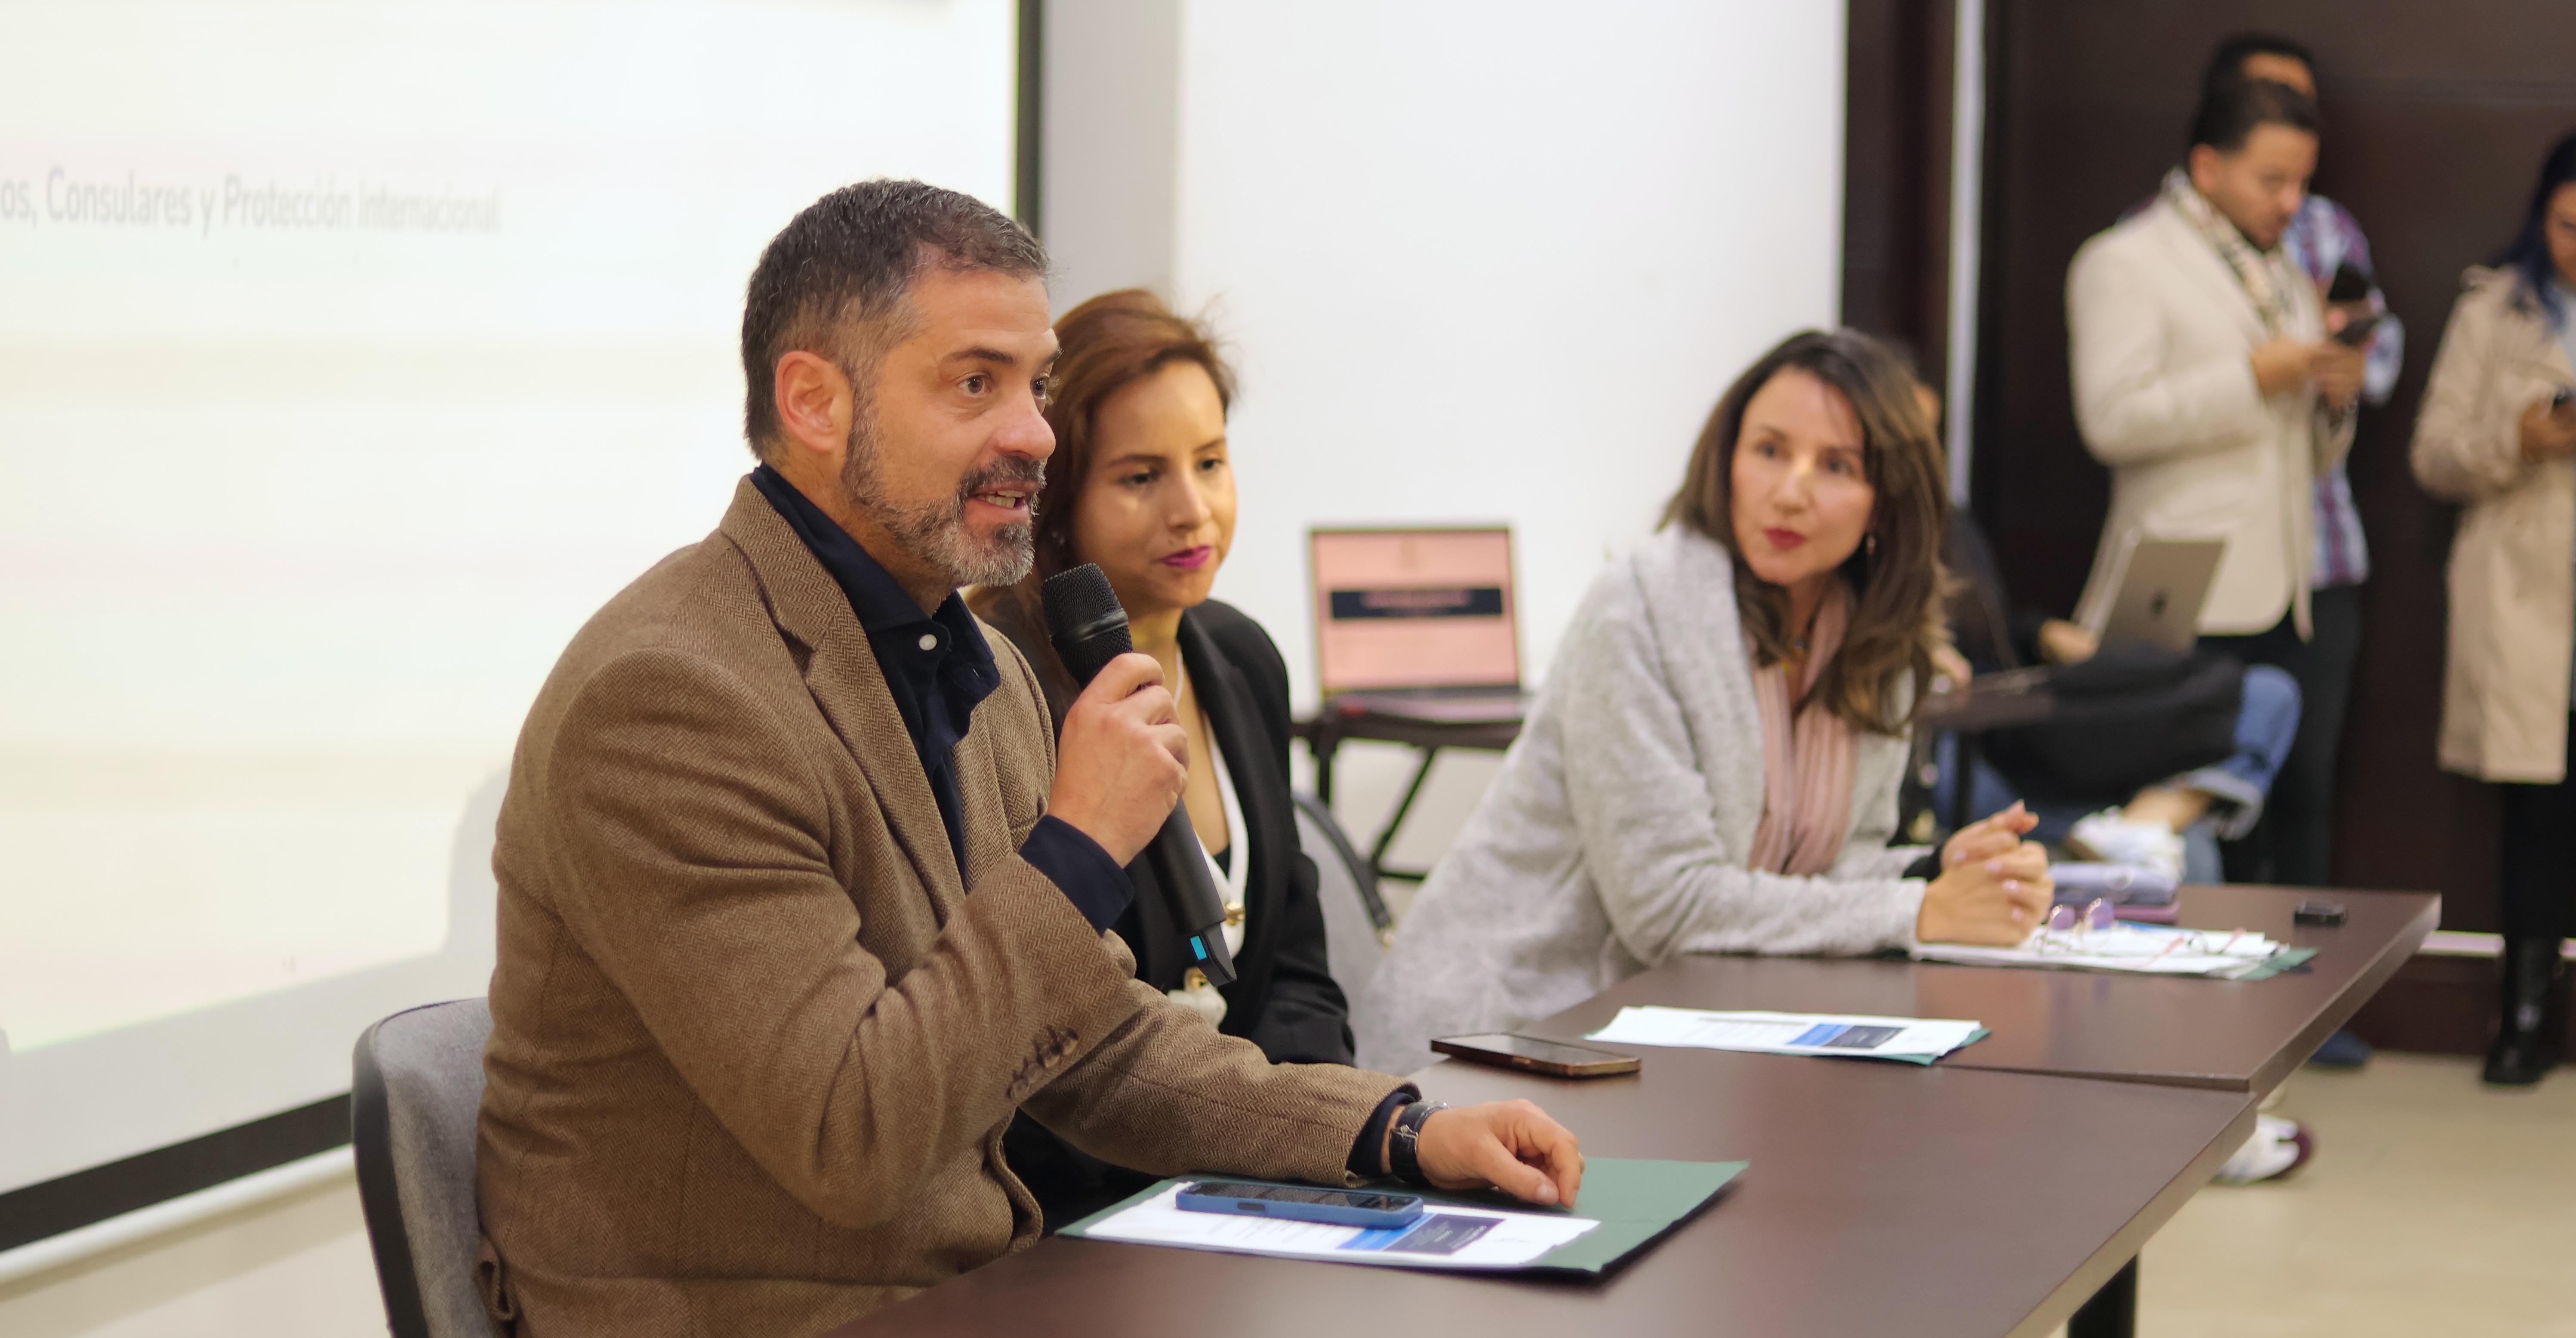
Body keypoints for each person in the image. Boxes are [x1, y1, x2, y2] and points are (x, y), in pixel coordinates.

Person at [473, 180, 1584, 1336]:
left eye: (1036, 385)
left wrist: (1390, 1130)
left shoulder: (978, 669)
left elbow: (1097, 1046)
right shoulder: (668, 698)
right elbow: (852, 1136)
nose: (1035, 434)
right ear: (813, 401)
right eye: (975, 383)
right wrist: (1077, 847)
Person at [1357, 328, 2053, 1076]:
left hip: (1685, 1034)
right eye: (1770, 450)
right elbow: (1669, 908)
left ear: (1887, 503)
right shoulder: (1639, 607)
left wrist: (1933, 871)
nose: (1791, 491)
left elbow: (1824, 874)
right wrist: (1916, 910)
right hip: (1502, 1039)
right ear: (1725, 460)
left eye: (1837, 466)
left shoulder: (1880, 648)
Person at [970, 290, 1354, 1223]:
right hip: (1077, 1211)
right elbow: (1028, 1040)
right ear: (1057, 497)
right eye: (1142, 477)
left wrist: (1309, 1153)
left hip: (1257, 1184)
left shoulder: (1243, 658)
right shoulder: (995, 687)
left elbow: (1295, 967)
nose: (1193, 510)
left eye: (1211, 463)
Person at [2067, 72, 2364, 890]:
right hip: (2183, 584)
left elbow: (2305, 451)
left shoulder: (2282, 269)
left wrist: (2334, 400)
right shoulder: (2125, 261)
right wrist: (2252, 379)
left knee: (2289, 804)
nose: (2291, 202)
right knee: (2186, 826)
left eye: (2301, 182)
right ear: (2207, 167)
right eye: (2272, 180)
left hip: (2287, 586)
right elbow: (2110, 419)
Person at [2410, 133, 2576, 1087]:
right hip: (2527, 595)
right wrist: (2519, 441)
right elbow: (2434, 453)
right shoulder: (2493, 309)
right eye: (2568, 224)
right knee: (2536, 811)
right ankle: (2522, 1013)